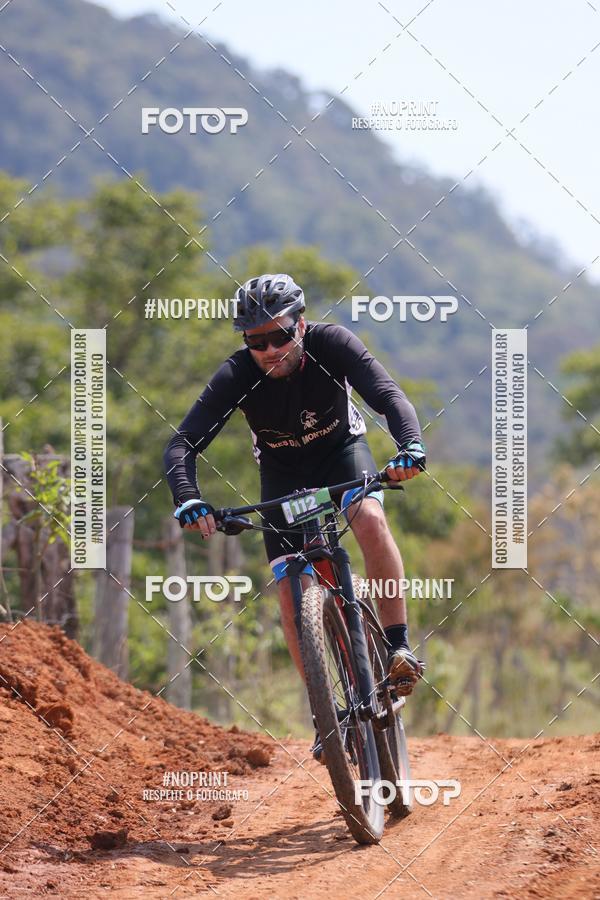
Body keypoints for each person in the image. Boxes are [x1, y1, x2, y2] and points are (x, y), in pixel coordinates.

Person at [164, 273, 426, 759]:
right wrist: (189, 497)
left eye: (279, 336)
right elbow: (183, 443)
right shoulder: (239, 375)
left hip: (342, 455)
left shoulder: (332, 344)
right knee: (289, 587)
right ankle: (326, 712)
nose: (269, 350)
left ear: (300, 326)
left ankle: (398, 646)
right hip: (283, 477)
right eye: (255, 341)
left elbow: (388, 395)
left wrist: (409, 445)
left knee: (367, 516)